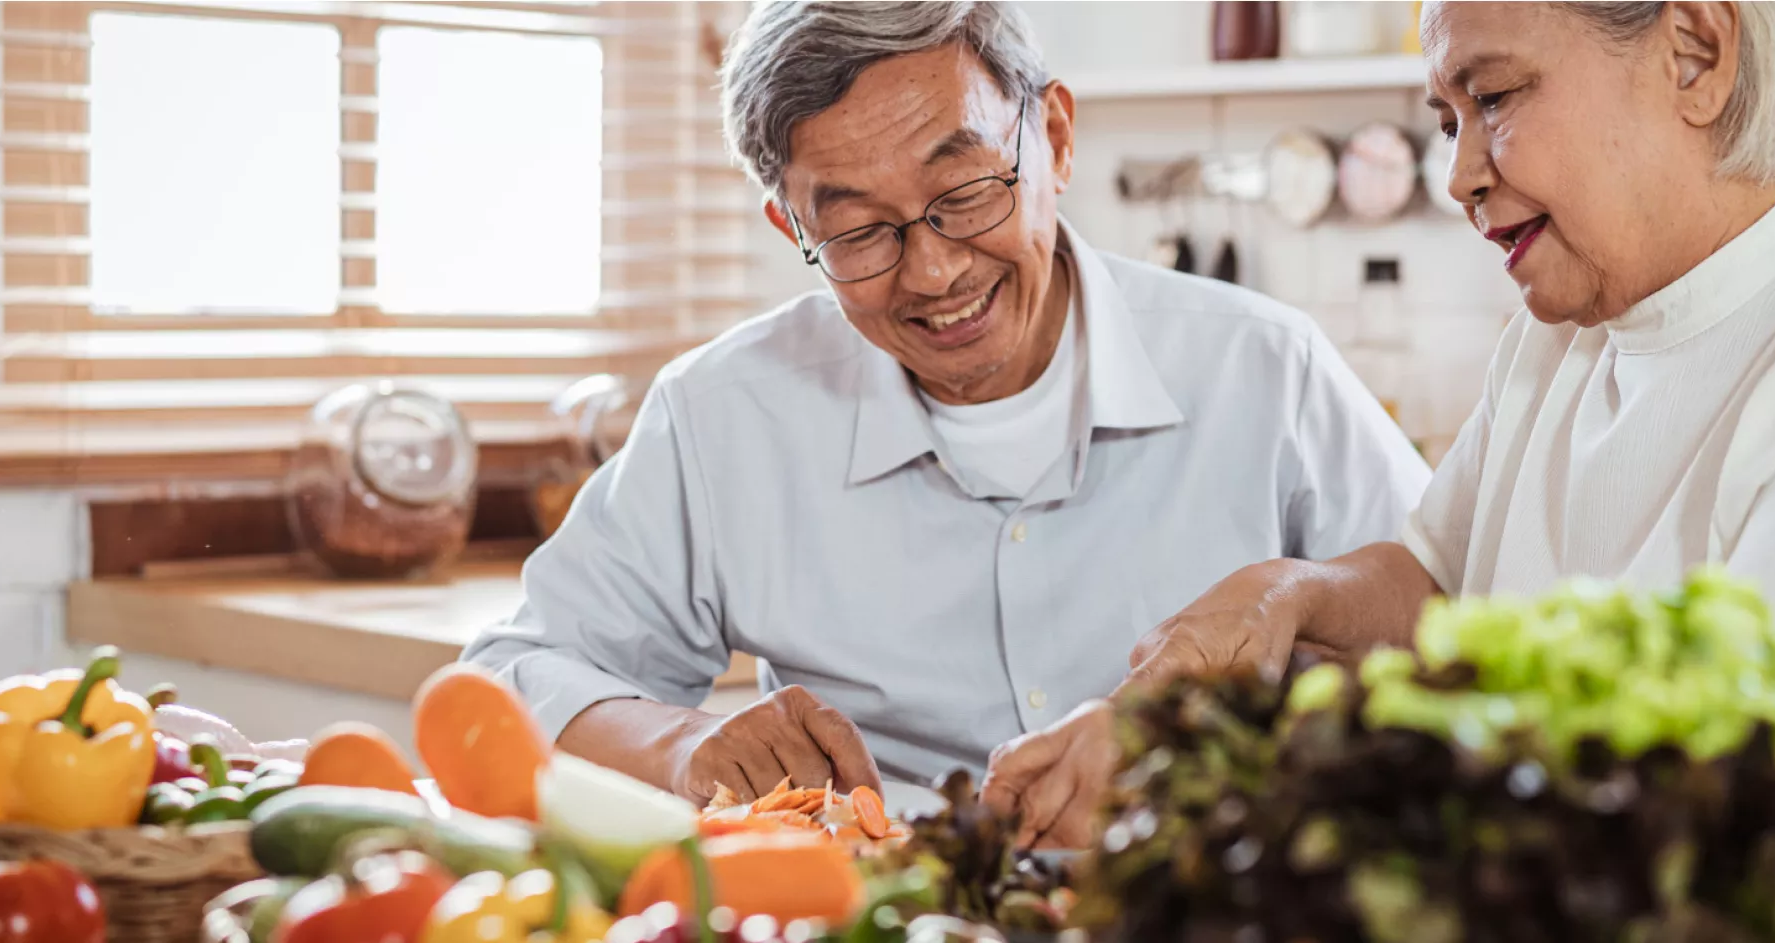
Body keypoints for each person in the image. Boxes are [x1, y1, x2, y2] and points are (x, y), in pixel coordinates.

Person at [984, 0, 1775, 848]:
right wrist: (1286, 598)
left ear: (1695, 53)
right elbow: (1440, 592)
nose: (1460, 174)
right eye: (1447, 119)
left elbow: (1753, 807)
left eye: (1494, 99)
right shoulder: (1573, 327)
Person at [462, 1, 1429, 806]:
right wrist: (681, 746)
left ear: (1053, 137)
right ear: (790, 225)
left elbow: (1455, 624)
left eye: (964, 191)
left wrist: (1281, 626)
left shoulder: (1264, 367)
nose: (933, 270)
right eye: (858, 231)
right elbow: (511, 676)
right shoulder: (726, 414)